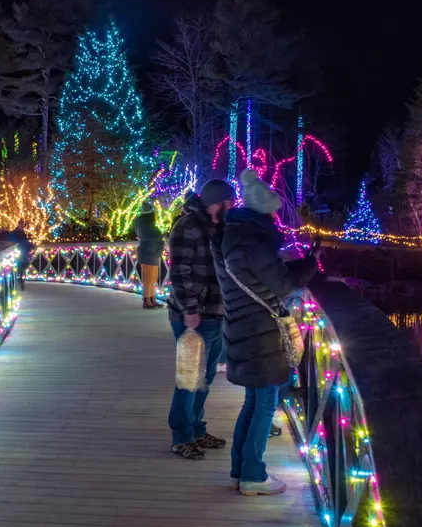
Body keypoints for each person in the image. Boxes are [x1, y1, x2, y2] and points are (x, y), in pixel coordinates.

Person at [213, 170, 317, 495]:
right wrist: (309, 265)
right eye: (273, 212)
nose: (276, 218)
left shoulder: (232, 234)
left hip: (241, 328)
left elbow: (261, 278)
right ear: (264, 213)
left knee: (253, 402)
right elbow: (282, 285)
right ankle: (253, 476)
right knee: (265, 404)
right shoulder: (254, 242)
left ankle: (239, 470)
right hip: (260, 332)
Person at [166, 179, 236, 460]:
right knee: (189, 378)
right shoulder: (188, 227)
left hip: (217, 312)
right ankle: (181, 435)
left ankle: (196, 428)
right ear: (216, 203)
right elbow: (179, 272)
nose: (234, 206)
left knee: (204, 377)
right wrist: (191, 309)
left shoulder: (218, 228)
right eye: (230, 202)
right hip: (193, 314)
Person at [134, 200, 165, 309]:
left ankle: (152, 298)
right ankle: (147, 299)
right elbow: (150, 236)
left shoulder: (144, 224)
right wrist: (160, 237)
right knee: (148, 277)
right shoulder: (144, 225)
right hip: (148, 252)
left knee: (153, 277)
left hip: (152, 253)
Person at [6, 220, 33, 290]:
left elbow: (25, 242)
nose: (22, 226)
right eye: (21, 225)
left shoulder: (22, 233)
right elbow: (21, 242)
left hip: (22, 253)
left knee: (20, 269)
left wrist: (30, 246)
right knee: (18, 269)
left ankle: (19, 282)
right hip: (18, 253)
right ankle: (18, 283)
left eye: (22, 225)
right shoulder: (15, 233)